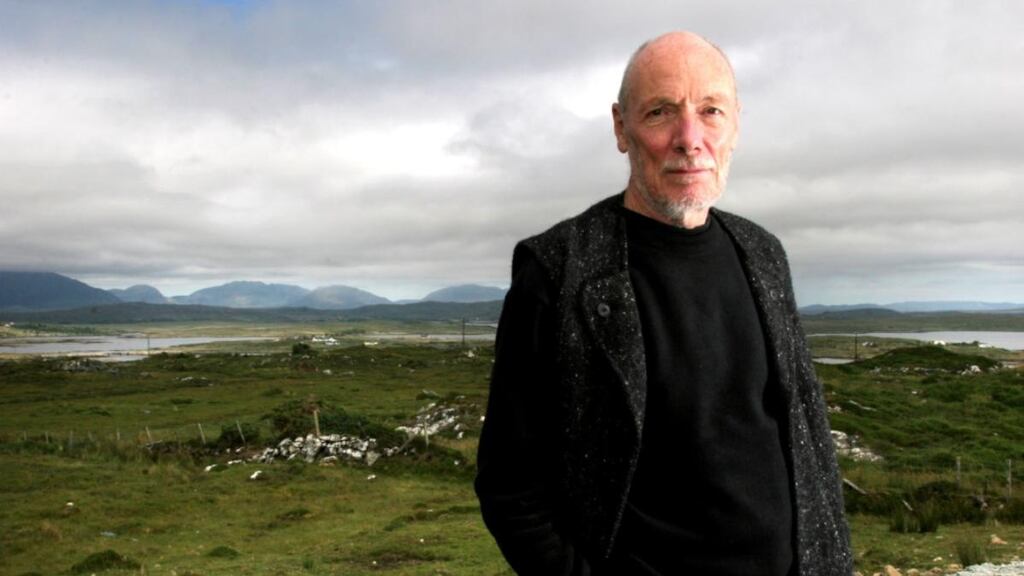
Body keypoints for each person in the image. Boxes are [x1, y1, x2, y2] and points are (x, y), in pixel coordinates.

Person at [475, 31, 853, 575]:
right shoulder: (558, 271)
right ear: (620, 128)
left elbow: (808, 439)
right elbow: (510, 486)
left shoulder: (764, 254)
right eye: (660, 113)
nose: (689, 138)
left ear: (736, 124)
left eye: (711, 111)